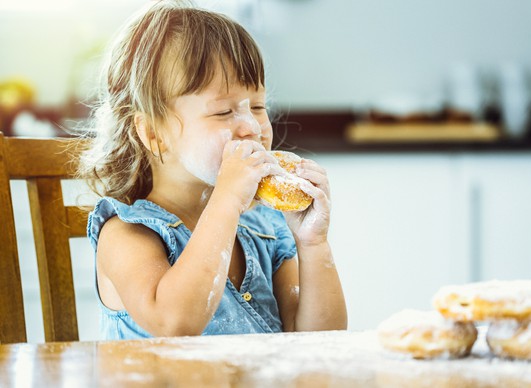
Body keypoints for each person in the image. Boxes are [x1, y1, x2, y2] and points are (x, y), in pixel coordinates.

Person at [78, 0, 347, 340]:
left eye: (259, 106)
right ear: (154, 135)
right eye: (223, 112)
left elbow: (321, 340)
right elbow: (174, 323)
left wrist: (313, 244)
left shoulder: (266, 229)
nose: (251, 126)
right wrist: (227, 201)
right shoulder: (127, 234)